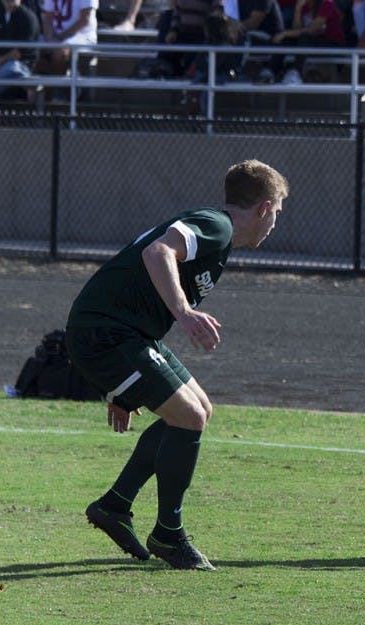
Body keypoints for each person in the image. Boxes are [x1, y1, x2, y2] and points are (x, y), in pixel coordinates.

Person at [68, 159, 289, 570]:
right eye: (277, 212)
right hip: (107, 333)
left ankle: (115, 505)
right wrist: (185, 313)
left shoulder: (217, 236)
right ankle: (169, 535)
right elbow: (158, 252)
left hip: (125, 334)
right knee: (187, 415)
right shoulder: (216, 226)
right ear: (264, 207)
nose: (275, 222)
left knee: (198, 410)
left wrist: (124, 388)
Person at [271, 0, 348, 84]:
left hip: (333, 44)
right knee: (286, 39)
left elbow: (312, 30)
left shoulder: (327, 3)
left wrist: (285, 33)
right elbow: (296, 30)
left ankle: (296, 73)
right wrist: (298, 9)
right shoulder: (304, 6)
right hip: (312, 43)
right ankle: (271, 72)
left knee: (303, 37)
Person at [33, 0, 98, 77]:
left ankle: (58, 85)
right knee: (31, 47)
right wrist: (49, 38)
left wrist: (59, 38)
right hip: (55, 36)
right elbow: (48, 18)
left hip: (82, 35)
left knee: (59, 51)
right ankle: (31, 85)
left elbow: (84, 20)